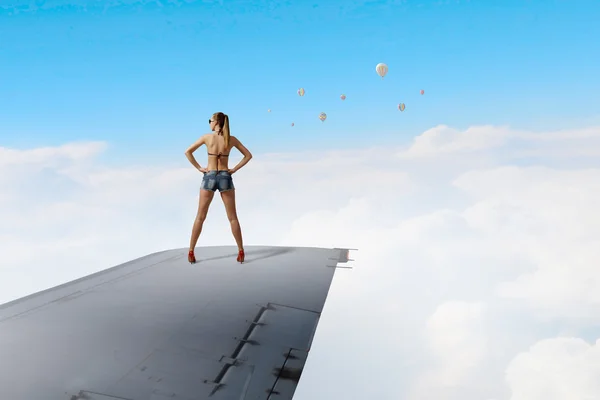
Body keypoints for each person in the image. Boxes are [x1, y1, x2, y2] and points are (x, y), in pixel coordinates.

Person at [184, 112, 253, 264]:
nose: (209, 122)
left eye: (210, 120)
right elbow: (248, 155)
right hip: (225, 177)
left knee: (200, 217)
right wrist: (234, 169)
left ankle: (191, 252)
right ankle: (241, 251)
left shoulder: (207, 138)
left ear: (216, 122)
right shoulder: (231, 139)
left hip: (209, 176)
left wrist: (199, 168)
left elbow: (187, 152)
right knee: (233, 217)